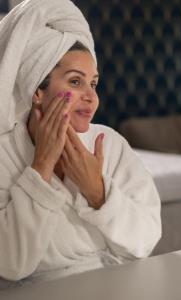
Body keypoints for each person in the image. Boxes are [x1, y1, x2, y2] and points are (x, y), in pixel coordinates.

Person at [0, 0, 161, 282]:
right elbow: (12, 265)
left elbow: (147, 238)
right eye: (75, 82)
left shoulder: (108, 143)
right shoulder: (4, 155)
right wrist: (40, 168)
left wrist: (98, 192)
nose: (91, 97)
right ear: (37, 89)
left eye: (93, 83)